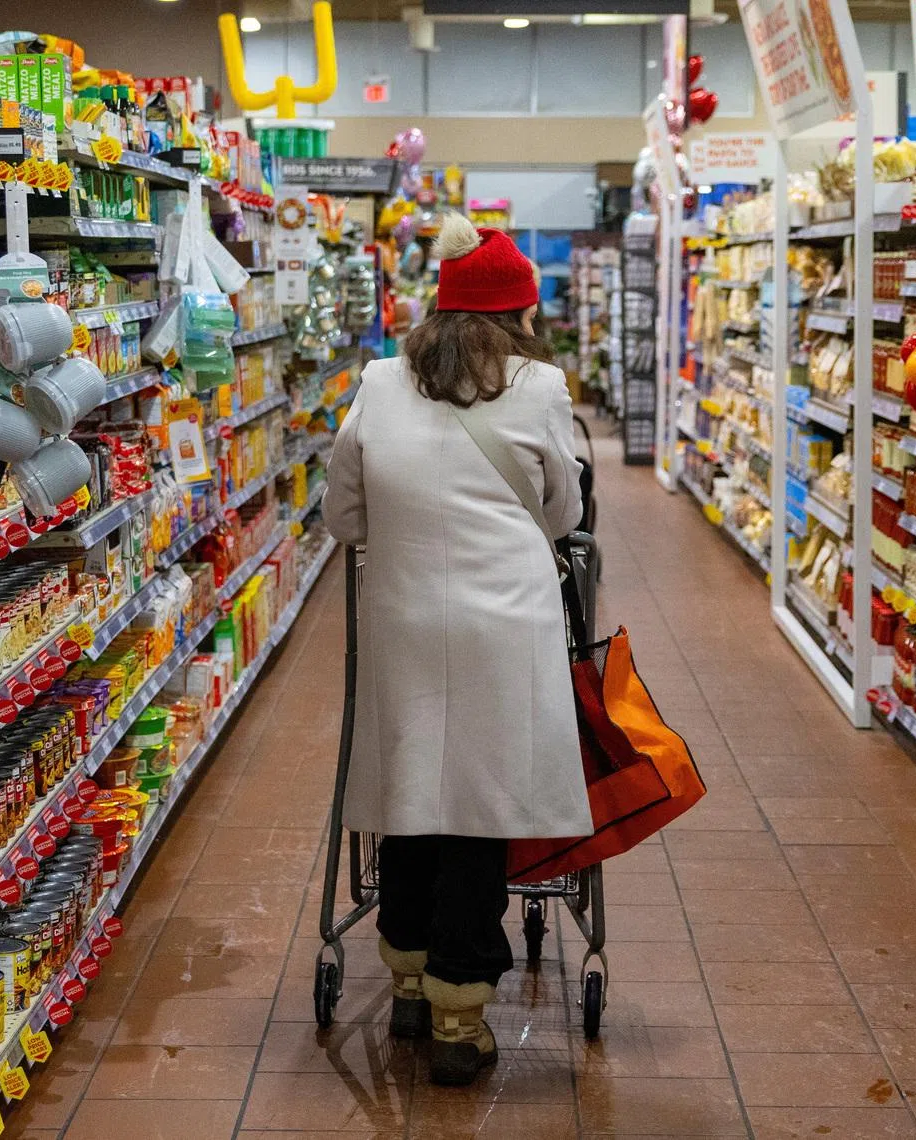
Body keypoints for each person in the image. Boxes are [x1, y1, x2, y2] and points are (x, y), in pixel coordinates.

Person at [323, 212, 591, 1087]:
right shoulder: (542, 386)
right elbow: (563, 514)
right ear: (518, 315)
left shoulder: (377, 381)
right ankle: (459, 1012)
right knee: (479, 805)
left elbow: (344, 516)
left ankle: (405, 972)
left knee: (411, 786)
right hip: (504, 628)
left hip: (403, 614)